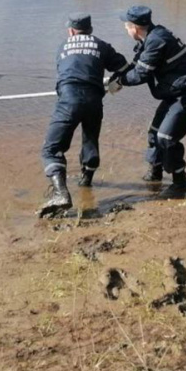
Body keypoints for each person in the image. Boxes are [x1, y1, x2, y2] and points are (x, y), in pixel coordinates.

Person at [109, 5, 186, 199]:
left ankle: (181, 184)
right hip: (175, 92)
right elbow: (136, 65)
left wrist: (120, 82)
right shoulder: (150, 38)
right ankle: (155, 174)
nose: (125, 29)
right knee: (154, 133)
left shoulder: (157, 41)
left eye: (126, 26)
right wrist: (112, 79)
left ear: (135, 28)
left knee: (166, 138)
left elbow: (141, 74)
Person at [39, 13, 130, 218]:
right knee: (90, 140)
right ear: (90, 30)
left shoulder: (63, 46)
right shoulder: (102, 45)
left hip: (68, 100)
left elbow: (64, 73)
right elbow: (125, 67)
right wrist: (116, 82)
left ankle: (61, 193)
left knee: (51, 149)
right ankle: (86, 183)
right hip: (94, 101)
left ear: (71, 30)